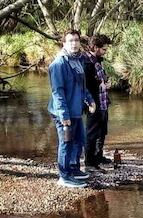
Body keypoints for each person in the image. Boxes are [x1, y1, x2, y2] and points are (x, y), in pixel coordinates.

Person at [48, 29, 96, 188]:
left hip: (76, 110)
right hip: (63, 112)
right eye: (71, 41)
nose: (74, 43)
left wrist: (90, 100)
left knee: (79, 140)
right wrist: (64, 115)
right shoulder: (59, 64)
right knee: (66, 143)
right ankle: (64, 175)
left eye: (76, 40)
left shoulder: (79, 59)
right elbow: (57, 92)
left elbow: (82, 86)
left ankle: (74, 169)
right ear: (64, 44)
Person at [83, 34, 113, 170]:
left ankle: (98, 156)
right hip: (93, 103)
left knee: (102, 131)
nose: (105, 52)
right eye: (104, 49)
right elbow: (85, 85)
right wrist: (101, 85)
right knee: (92, 132)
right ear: (95, 47)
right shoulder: (86, 62)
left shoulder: (97, 60)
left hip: (103, 102)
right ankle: (89, 161)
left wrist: (106, 82)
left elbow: (100, 79)